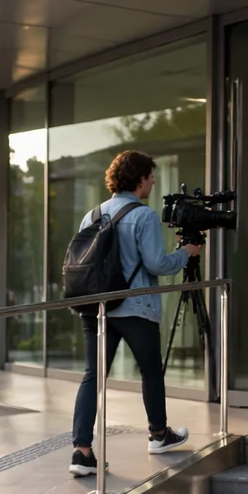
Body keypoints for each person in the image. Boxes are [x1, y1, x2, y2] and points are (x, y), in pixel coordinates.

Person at [70, 150, 198, 477]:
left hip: (96, 307)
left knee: (92, 376)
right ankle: (158, 434)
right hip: (135, 307)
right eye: (150, 176)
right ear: (139, 178)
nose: (153, 181)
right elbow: (157, 264)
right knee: (151, 371)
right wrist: (185, 253)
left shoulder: (92, 214)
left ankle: (82, 452)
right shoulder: (144, 215)